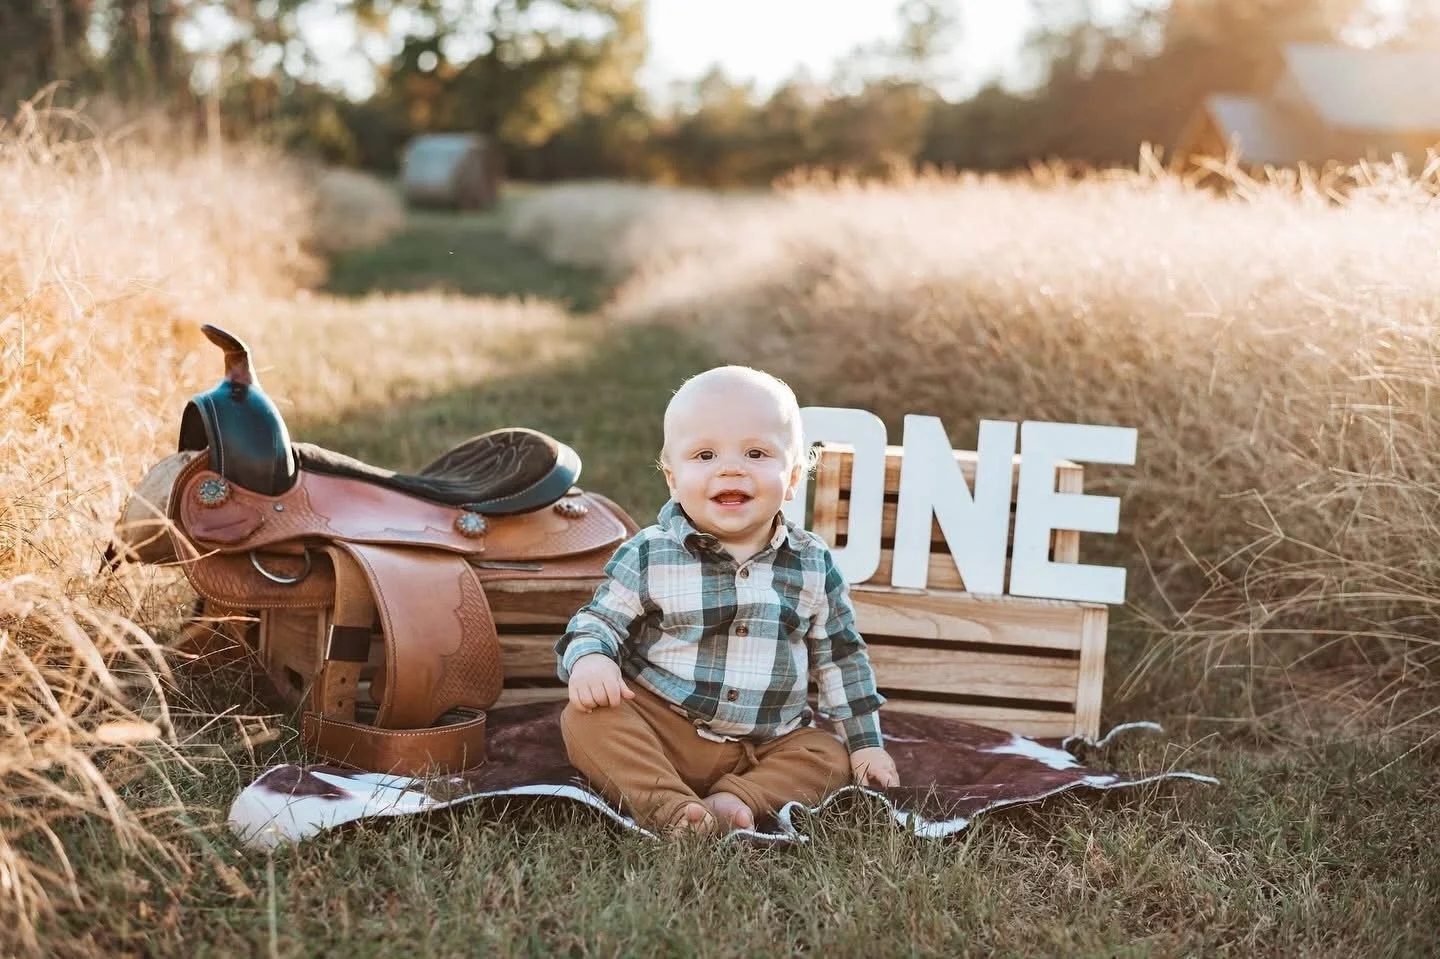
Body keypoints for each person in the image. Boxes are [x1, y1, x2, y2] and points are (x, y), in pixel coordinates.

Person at [554, 365, 900, 836]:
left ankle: (737, 799)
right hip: (665, 727)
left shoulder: (813, 565)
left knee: (827, 757)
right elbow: (598, 620)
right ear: (673, 479)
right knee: (587, 721)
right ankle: (673, 808)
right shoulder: (651, 553)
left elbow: (840, 656)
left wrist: (865, 743)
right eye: (705, 454)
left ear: (794, 476)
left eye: (756, 453)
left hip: (766, 745)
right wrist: (592, 659)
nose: (730, 468)